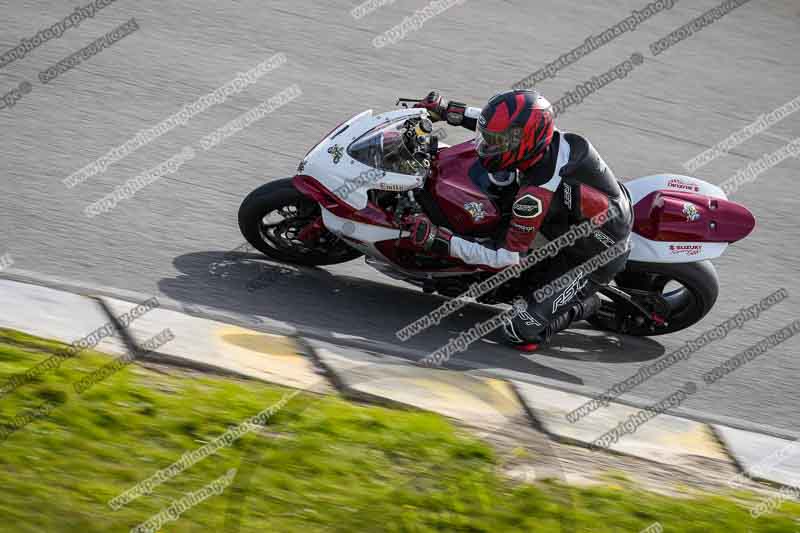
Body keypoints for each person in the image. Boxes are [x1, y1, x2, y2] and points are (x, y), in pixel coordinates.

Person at [407, 90, 634, 351]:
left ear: (522, 143)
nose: (486, 146)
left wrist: (441, 240)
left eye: (494, 142)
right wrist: (450, 110)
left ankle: (588, 304)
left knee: (520, 330)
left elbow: (508, 259)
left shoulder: (534, 197)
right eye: (488, 139)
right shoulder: (544, 140)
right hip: (577, 217)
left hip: (593, 257)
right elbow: (505, 129)